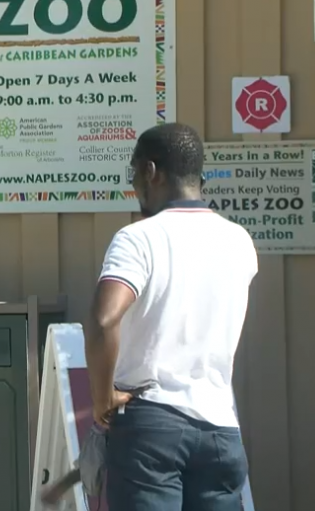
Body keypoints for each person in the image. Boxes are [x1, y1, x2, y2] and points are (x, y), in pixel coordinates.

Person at [85, 123, 257, 511]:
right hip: (220, 428)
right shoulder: (239, 241)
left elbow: (104, 320)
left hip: (151, 427)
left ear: (150, 171)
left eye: (133, 173)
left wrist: (102, 399)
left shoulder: (138, 238)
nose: (133, 185)